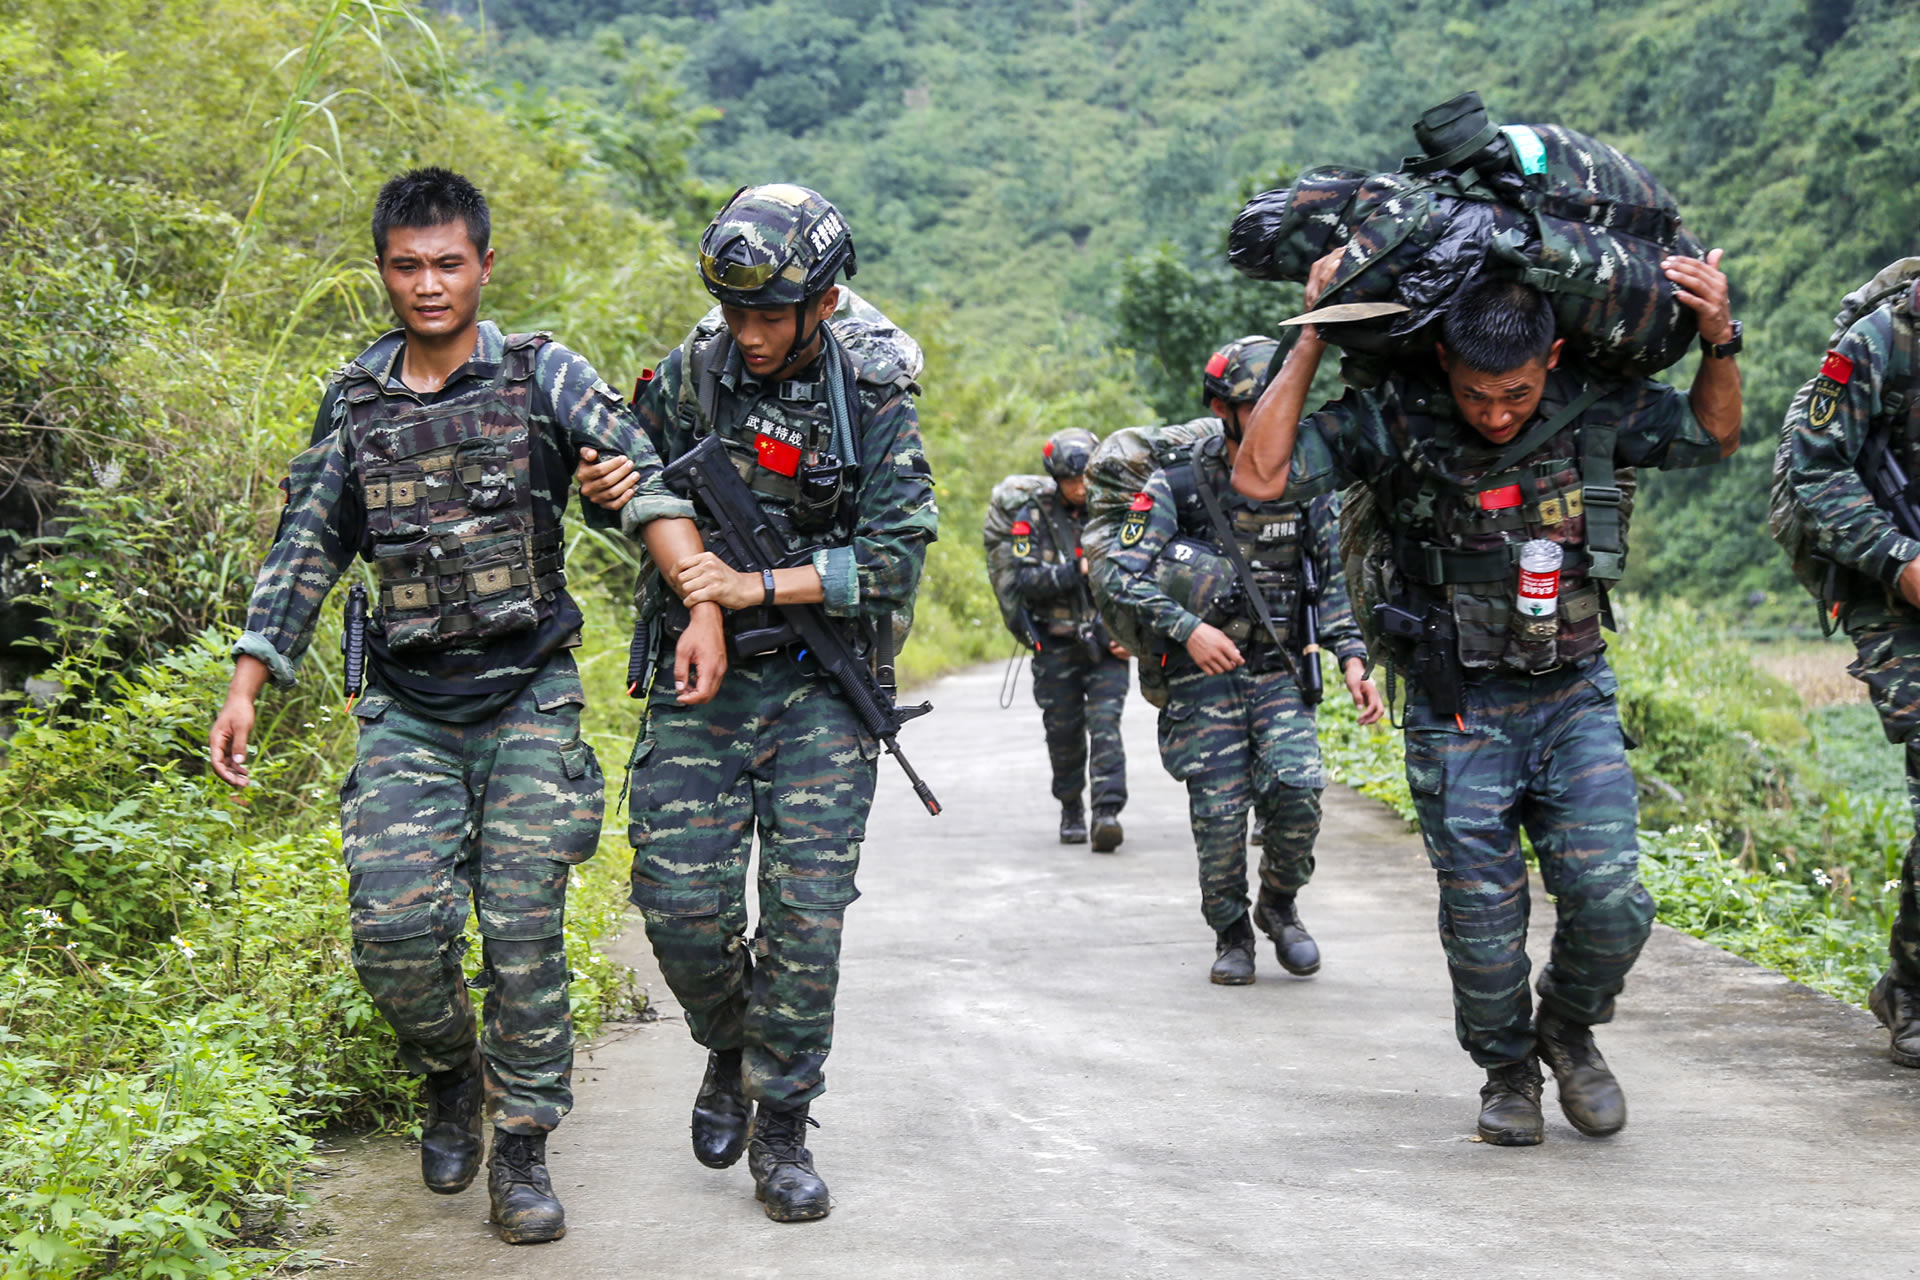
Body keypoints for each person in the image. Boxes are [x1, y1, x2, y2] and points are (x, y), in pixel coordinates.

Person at [207, 168, 722, 1243]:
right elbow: (308, 541)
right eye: (408, 264)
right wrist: (249, 679)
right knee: (393, 927)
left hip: (528, 690)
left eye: (449, 262)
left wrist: (696, 594)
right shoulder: (356, 398)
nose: (429, 283)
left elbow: (645, 479)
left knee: (525, 927)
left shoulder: (546, 375)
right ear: (383, 270)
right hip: (407, 702)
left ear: (485, 264)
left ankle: (525, 1140)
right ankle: (450, 1071)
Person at [1233, 251, 1741, 1144]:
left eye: (1513, 393)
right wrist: (1312, 334)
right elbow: (1259, 476)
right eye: (1477, 395)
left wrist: (1719, 338)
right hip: (1457, 705)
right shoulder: (1398, 422)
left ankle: (1568, 1029)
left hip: (1573, 693)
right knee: (1482, 921)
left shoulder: (1593, 404)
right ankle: (1508, 1071)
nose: (1497, 415)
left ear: (1549, 359)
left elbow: (1712, 435)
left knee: (1614, 898)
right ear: (1442, 366)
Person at [576, 183, 936, 1222]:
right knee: (679, 903)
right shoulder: (697, 368)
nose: (751, 334)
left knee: (805, 918)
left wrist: (759, 586)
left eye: (771, 314)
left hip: (825, 682)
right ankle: (729, 1044)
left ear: (822, 302)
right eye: (736, 312)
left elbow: (898, 556)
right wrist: (616, 502)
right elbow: (638, 492)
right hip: (707, 668)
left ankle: (782, 1118)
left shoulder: (870, 387)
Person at [1105, 336, 1382, 984]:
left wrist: (1352, 657)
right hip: (1204, 681)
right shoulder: (1177, 483)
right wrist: (1189, 629)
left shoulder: (1305, 479)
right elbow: (1121, 576)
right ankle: (1230, 931)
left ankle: (1280, 906)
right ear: (1218, 408)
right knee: (1220, 818)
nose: (1265, 417)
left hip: (1279, 672)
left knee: (1298, 791)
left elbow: (1330, 583)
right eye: (1250, 405)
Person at [1779, 269, 1920, 1068]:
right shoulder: (1878, 344)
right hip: (1888, 586)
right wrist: (1899, 560)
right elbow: (1817, 472)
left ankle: (1906, 976)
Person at [1006, 427, 1131, 849]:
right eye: (1069, 481)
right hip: (1056, 645)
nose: (1078, 489)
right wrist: (1074, 571)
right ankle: (1071, 806)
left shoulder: (1114, 510)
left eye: (1084, 480)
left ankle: (1108, 812)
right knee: (1063, 733)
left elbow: (1137, 573)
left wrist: (1130, 633)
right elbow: (1024, 579)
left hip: (1107, 644)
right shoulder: (1033, 515)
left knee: (1106, 726)